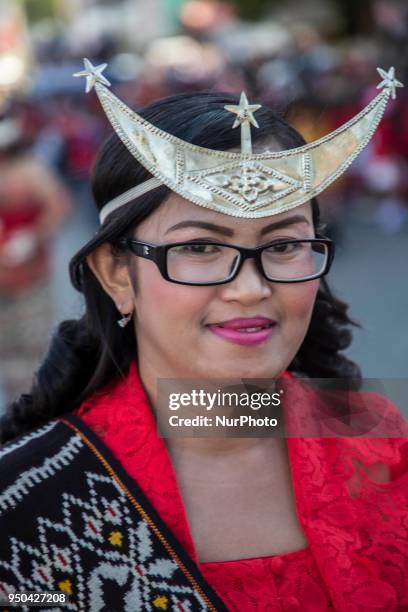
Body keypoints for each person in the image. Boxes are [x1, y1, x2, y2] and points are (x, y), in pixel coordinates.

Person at [0, 62, 407, 611]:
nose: (250, 288)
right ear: (118, 274)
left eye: (284, 245)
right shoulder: (26, 505)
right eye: (198, 248)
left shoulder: (384, 445)